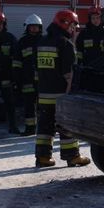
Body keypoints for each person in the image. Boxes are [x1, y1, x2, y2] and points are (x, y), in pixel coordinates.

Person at [35, 9, 90, 168]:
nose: (74, 29)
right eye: (72, 25)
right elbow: (68, 73)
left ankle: (43, 158)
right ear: (64, 23)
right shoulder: (66, 44)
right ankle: (72, 157)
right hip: (61, 94)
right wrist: (71, 94)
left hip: (44, 93)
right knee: (67, 125)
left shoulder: (42, 42)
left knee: (45, 127)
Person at [0, 11, 20, 133]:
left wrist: (14, 75)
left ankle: (13, 126)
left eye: (1, 24)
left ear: (4, 24)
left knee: (10, 103)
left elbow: (16, 56)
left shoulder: (10, 38)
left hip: (6, 75)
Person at [15, 14, 43, 136]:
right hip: (27, 79)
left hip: (43, 80)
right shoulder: (22, 42)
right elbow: (17, 61)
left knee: (44, 106)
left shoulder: (44, 40)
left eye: (36, 27)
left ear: (40, 27)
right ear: (27, 27)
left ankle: (43, 128)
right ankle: (30, 128)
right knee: (29, 105)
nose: (33, 29)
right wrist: (17, 78)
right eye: (31, 27)